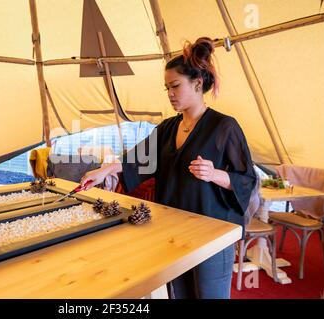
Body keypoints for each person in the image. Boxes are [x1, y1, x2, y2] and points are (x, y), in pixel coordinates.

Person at [80, 37, 257, 299]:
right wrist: (104, 170)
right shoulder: (167, 128)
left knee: (210, 295)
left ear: (198, 83)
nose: (171, 94)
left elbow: (247, 180)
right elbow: (138, 159)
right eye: (167, 88)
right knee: (178, 293)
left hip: (212, 233)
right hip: (173, 231)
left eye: (175, 86)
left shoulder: (224, 127)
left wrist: (215, 174)